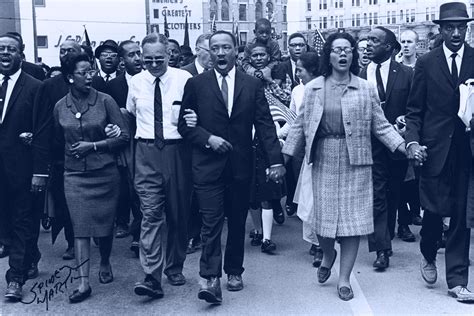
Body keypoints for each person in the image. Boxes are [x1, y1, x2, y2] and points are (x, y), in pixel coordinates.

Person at [282, 32, 406, 301]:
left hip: (357, 160)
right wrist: (283, 158)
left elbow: (381, 125)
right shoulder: (314, 88)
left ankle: (344, 278)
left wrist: (404, 146)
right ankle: (328, 254)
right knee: (323, 221)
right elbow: (299, 125)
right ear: (328, 54)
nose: (342, 54)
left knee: (353, 223)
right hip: (324, 156)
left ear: (353, 55)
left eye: (348, 50)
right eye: (337, 49)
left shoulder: (365, 88)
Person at [178, 30, 285, 304]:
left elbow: (264, 124)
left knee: (237, 222)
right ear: (209, 52)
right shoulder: (196, 84)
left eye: (227, 47)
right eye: (216, 48)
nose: (221, 53)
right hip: (207, 166)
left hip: (240, 166)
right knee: (211, 223)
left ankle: (234, 270)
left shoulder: (251, 85)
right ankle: (211, 278)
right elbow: (184, 126)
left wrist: (275, 160)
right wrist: (208, 139)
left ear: (236, 51)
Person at [405, 1, 474, 302]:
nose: (456, 33)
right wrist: (413, 142)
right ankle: (428, 250)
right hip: (434, 150)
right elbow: (414, 111)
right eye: (450, 27)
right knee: (433, 211)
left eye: (462, 27)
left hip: (467, 151)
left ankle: (458, 279)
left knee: (461, 214)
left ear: (467, 28)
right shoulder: (427, 63)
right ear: (441, 29)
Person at [53, 52, 129, 303]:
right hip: (74, 176)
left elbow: (123, 136)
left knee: (104, 228)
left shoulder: (105, 101)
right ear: (69, 77)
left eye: (91, 72)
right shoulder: (60, 107)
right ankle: (83, 282)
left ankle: (105, 260)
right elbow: (57, 140)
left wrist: (94, 145)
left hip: (105, 174)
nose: (89, 76)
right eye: (83, 73)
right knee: (81, 229)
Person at [127, 33, 193, 299]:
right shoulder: (136, 82)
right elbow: (131, 113)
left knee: (178, 213)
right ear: (141, 58)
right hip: (146, 152)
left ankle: (174, 266)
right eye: (148, 60)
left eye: (159, 59)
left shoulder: (184, 79)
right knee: (151, 214)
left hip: (178, 152)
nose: (153, 64)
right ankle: (151, 275)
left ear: (169, 55)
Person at [361, 26, 414, 271]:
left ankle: (387, 236)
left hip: (397, 144)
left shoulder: (406, 74)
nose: (368, 44)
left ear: (390, 48)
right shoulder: (359, 75)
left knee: (393, 193)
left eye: (375, 40)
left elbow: (415, 109)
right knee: (377, 195)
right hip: (369, 146)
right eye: (368, 40)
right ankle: (381, 249)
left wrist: (406, 124)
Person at [0, 33, 44, 301]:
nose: (5, 53)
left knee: (21, 220)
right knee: (5, 223)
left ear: (21, 54)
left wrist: (40, 171)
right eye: (1, 48)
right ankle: (31, 255)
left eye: (11, 49)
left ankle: (15, 277)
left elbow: (43, 132)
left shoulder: (35, 87)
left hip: (21, 168)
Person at [279, 51, 323, 266]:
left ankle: (324, 244)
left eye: (300, 70)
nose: (298, 75)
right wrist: (276, 136)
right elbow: (294, 120)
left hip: (326, 153)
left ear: (313, 70)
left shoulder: (328, 87)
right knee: (308, 198)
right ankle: (316, 243)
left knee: (321, 199)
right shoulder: (298, 90)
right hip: (306, 153)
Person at [246, 42, 288, 253]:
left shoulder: (276, 76)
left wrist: (271, 81)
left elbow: (287, 104)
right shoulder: (243, 77)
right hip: (247, 143)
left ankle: (267, 238)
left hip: (267, 142)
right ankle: (257, 230)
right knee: (252, 195)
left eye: (263, 54)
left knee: (265, 194)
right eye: (255, 55)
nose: (259, 58)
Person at [105, 40, 142, 256]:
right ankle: (124, 224)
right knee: (126, 190)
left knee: (141, 191)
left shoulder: (149, 80)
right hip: (122, 146)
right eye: (131, 55)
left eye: (139, 53)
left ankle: (139, 236)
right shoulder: (114, 86)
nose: (137, 58)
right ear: (122, 60)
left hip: (145, 144)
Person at [181, 33, 214, 255]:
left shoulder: (222, 74)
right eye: (209, 49)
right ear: (197, 50)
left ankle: (209, 233)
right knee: (192, 193)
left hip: (216, 142)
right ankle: (192, 234)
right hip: (189, 144)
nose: (215, 55)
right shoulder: (183, 75)